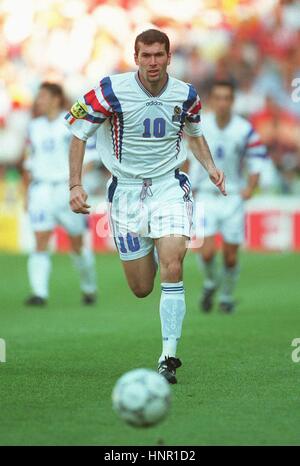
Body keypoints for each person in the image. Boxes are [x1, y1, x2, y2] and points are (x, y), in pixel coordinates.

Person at [65, 29, 226, 384]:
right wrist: (75, 184)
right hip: (124, 193)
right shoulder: (110, 90)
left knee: (174, 263)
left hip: (170, 186)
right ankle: (153, 248)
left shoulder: (186, 94)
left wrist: (211, 168)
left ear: (169, 57)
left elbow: (195, 135)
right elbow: (77, 134)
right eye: (146, 55)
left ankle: (169, 355)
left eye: (159, 55)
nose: (153, 62)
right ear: (135, 57)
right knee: (141, 288)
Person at [188, 80, 267, 314]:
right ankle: (211, 283)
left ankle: (225, 296)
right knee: (207, 251)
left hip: (232, 197)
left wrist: (251, 187)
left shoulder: (244, 129)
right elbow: (185, 153)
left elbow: (257, 157)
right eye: (218, 98)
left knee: (231, 258)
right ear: (211, 101)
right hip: (205, 196)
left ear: (232, 101)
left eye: (226, 98)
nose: (222, 103)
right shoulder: (199, 125)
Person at [23, 82, 97, 306]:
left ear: (56, 99)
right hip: (42, 189)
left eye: (43, 97)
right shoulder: (33, 127)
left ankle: (88, 287)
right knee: (40, 240)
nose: (39, 101)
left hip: (66, 190)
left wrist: (76, 185)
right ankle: (39, 293)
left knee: (76, 244)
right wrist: (27, 192)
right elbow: (29, 161)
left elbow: (90, 159)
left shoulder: (73, 122)